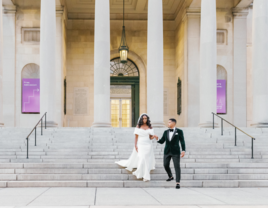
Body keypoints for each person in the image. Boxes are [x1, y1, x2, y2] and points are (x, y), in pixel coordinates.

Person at [115, 113, 158, 181]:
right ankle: (140, 173)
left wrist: (155, 137)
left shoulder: (150, 127)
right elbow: (136, 136)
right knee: (141, 157)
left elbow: (150, 137)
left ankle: (146, 176)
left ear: (147, 119)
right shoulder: (138, 126)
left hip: (148, 145)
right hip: (141, 144)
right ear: (141, 119)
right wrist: (135, 145)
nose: (144, 119)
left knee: (146, 159)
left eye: (145, 118)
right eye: (143, 118)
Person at [156, 118, 186, 189]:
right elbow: (162, 141)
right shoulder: (165, 132)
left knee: (177, 167)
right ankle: (170, 176)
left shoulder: (179, 131)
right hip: (167, 151)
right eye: (168, 122)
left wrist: (183, 150)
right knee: (165, 165)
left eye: (169, 122)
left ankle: (177, 183)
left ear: (174, 123)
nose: (168, 123)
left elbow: (182, 141)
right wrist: (157, 138)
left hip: (176, 152)